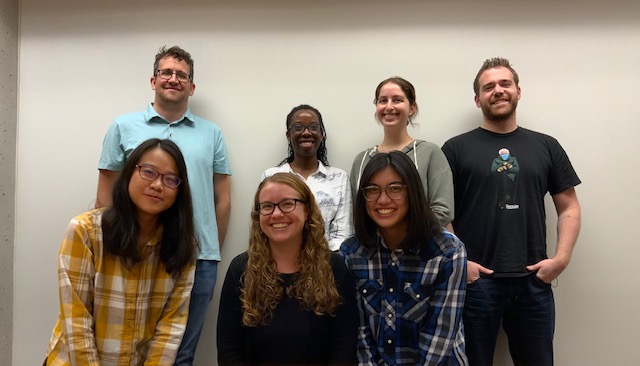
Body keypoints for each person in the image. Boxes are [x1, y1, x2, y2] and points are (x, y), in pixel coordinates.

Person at [96, 46, 231, 365]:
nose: (174, 79)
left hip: (198, 258)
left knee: (181, 354)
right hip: (135, 249)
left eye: (181, 74)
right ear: (153, 80)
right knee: (129, 346)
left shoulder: (212, 133)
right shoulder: (122, 127)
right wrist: (112, 246)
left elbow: (222, 200)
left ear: (192, 87)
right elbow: (105, 195)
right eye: (167, 72)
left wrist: (212, 252)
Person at [441, 57, 582, 365]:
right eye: (488, 86)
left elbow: (569, 206)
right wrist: (461, 264)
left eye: (505, 84)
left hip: (534, 281)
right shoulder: (454, 149)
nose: (498, 91)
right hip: (476, 283)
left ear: (518, 91)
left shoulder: (546, 146)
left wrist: (561, 259)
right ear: (478, 99)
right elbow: (440, 214)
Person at [45, 138, 197, 365]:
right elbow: (76, 321)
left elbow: (170, 328)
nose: (157, 185)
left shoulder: (183, 246)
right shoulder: (85, 231)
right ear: (128, 173)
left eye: (170, 179)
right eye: (149, 172)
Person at [341, 151, 467, 365]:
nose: (382, 199)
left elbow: (440, 337)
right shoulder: (352, 253)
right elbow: (360, 335)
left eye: (395, 188)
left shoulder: (447, 251)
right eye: (372, 190)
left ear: (413, 192)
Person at [217, 173, 358, 365]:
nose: (276, 214)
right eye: (267, 206)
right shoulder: (240, 269)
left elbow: (344, 348)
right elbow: (229, 349)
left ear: (307, 210)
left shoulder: (334, 268)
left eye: (287, 204)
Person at [350, 76, 454, 228]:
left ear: (412, 108)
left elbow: (443, 211)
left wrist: (398, 236)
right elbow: (356, 213)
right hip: (372, 249)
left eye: (397, 100)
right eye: (383, 100)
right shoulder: (362, 160)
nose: (389, 106)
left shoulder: (430, 153)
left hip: (422, 247)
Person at [261, 104, 353, 250]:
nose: (306, 133)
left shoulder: (339, 178)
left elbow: (343, 234)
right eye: (298, 127)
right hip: (280, 261)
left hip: (326, 264)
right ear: (288, 135)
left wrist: (320, 261)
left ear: (322, 134)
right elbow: (264, 226)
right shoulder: (272, 176)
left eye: (313, 127)